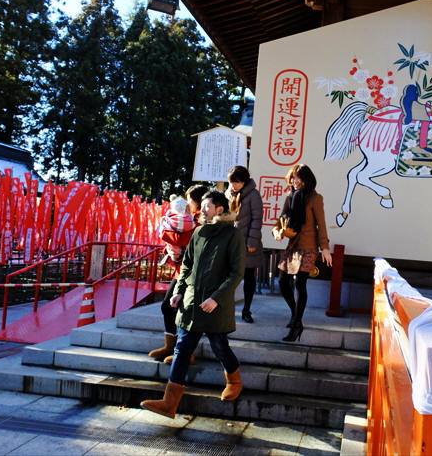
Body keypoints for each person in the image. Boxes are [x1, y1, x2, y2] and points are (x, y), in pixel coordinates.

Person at [141, 190, 245, 418]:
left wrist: (216, 298)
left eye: (207, 206)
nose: (201, 209)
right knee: (181, 349)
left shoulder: (232, 235)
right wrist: (178, 292)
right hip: (190, 303)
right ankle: (169, 403)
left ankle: (234, 381)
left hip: (214, 304)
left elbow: (236, 273)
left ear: (220, 209)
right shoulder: (197, 232)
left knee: (220, 346)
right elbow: (186, 266)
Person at [147, 184, 209, 364]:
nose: (187, 203)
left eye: (190, 200)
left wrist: (175, 245)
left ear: (197, 201)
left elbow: (190, 245)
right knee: (168, 306)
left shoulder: (201, 222)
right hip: (180, 272)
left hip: (193, 274)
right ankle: (171, 346)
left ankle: (184, 351)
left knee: (182, 311)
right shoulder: (187, 219)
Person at [272, 164, 332, 342]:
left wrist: (325, 249)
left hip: (309, 246)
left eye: (298, 178)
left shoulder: (315, 198)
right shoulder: (290, 196)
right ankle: (294, 314)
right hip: (293, 246)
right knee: (283, 282)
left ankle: (297, 325)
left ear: (306, 179)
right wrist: (276, 232)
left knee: (300, 283)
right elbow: (280, 220)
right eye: (293, 178)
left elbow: (321, 225)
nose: (295, 181)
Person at [225, 165, 264, 323]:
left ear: (244, 181)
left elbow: (257, 220)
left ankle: (246, 310)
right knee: (228, 278)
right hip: (230, 243)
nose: (233, 185)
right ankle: (226, 310)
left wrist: (252, 242)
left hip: (248, 242)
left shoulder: (253, 195)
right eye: (231, 182)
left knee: (248, 277)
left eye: (237, 182)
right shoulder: (228, 194)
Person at [158, 195, 194, 267]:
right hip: (182, 258)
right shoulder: (190, 220)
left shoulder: (168, 218)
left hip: (182, 261)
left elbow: (164, 235)